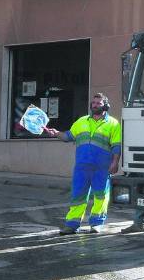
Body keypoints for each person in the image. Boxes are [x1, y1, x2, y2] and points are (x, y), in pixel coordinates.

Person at [46, 93, 121, 234]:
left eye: (98, 103)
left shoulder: (113, 123)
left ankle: (96, 224)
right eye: (93, 103)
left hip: (102, 167)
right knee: (78, 195)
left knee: (101, 196)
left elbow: (116, 146)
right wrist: (56, 133)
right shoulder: (81, 121)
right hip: (82, 167)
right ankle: (72, 224)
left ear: (106, 105)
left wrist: (115, 163)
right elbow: (68, 136)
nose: (94, 105)